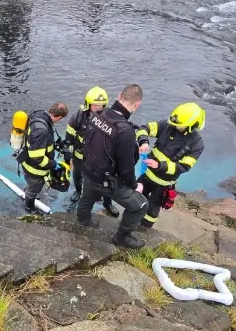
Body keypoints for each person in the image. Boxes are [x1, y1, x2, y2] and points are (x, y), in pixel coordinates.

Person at [75, 84, 150, 248]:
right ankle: (122, 238)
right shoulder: (126, 131)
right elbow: (126, 168)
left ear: (119, 96)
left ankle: (83, 219)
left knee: (88, 194)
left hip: (87, 169)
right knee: (141, 205)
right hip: (105, 179)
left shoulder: (97, 115)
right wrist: (134, 185)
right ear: (137, 104)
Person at [135, 102, 205, 229]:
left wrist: (159, 165)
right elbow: (143, 128)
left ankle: (144, 229)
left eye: (180, 125)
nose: (175, 127)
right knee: (135, 199)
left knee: (152, 209)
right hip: (146, 175)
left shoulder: (196, 144)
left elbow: (183, 167)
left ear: (192, 126)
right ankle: (130, 223)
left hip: (164, 184)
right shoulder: (167, 126)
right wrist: (144, 142)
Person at [66, 86, 120, 218]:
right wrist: (68, 158)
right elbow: (69, 139)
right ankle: (78, 191)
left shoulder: (110, 118)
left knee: (106, 182)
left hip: (99, 159)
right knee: (77, 175)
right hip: (80, 156)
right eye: (95, 105)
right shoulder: (77, 118)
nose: (98, 108)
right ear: (88, 104)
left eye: (101, 105)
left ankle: (107, 203)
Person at [17, 102, 68, 215]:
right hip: (34, 169)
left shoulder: (38, 115)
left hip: (27, 162)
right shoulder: (42, 132)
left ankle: (29, 189)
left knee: (31, 185)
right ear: (59, 117)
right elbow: (37, 157)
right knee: (33, 190)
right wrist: (53, 164)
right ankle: (29, 208)